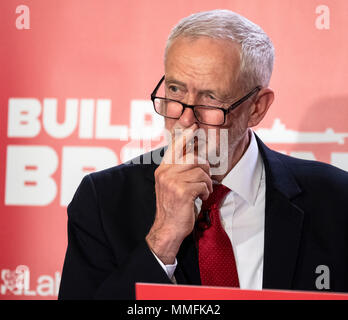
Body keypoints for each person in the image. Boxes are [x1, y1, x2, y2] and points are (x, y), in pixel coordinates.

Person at [58, 9, 348, 300]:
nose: (185, 119)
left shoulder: (336, 199)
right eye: (175, 90)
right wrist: (163, 239)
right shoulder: (103, 200)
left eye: (210, 98)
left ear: (257, 107)